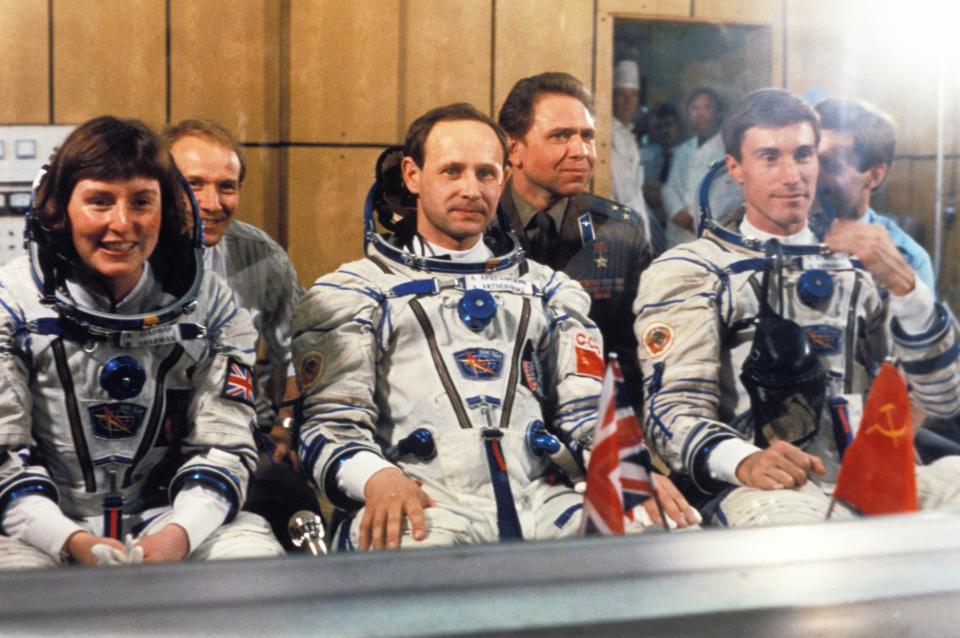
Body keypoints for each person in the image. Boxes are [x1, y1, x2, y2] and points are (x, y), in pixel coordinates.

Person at [293, 103, 697, 551]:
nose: (470, 189)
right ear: (412, 175)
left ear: (503, 178)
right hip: (423, 496)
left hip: (540, 497)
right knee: (421, 560)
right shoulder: (355, 292)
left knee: (660, 534)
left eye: (485, 173)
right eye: (451, 171)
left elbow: (584, 412)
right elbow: (328, 426)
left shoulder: (549, 291)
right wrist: (378, 478)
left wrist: (626, 467)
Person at [634, 89, 960, 527]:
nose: (792, 175)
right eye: (769, 157)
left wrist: (907, 289)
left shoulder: (863, 265)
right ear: (735, 168)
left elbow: (943, 396)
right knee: (801, 535)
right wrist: (745, 461)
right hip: (758, 482)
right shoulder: (693, 270)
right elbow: (671, 413)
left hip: (867, 473)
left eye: (804, 155)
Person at [0, 116, 284, 567]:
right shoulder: (12, 304)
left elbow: (223, 444)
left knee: (249, 558)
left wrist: (180, 532)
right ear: (58, 211)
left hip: (164, 514)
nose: (122, 224)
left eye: (141, 203)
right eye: (99, 201)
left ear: (166, 211)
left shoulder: (211, 306)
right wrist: (68, 539)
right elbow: (3, 457)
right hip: (39, 525)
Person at [164, 120, 317, 550]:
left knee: (297, 508)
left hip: (245, 432)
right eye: (193, 185)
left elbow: (302, 346)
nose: (212, 203)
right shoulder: (128, 253)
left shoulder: (260, 253)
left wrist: (287, 426)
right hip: (152, 441)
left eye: (226, 187)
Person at [497, 71, 652, 408]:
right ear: (514, 149)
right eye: (561, 136)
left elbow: (637, 352)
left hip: (596, 422)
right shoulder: (475, 229)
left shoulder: (619, 231)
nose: (581, 152)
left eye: (587, 136)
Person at [815, 98, 936, 293]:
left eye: (831, 166)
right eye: (806, 159)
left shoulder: (908, 258)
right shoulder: (776, 234)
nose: (810, 177)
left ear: (874, 176)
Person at [662, 87, 741, 247]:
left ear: (717, 111)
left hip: (713, 238)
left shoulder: (727, 149)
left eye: (707, 107)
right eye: (695, 109)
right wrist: (678, 212)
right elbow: (669, 188)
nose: (701, 115)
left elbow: (733, 197)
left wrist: (700, 223)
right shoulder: (683, 150)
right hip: (679, 236)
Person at [610, 60, 661, 253]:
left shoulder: (629, 136)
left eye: (633, 95)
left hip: (636, 232)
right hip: (617, 231)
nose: (627, 101)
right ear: (612, 97)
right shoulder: (607, 135)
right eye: (622, 94)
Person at [641, 102, 681, 251]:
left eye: (669, 125)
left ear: (678, 127)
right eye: (658, 127)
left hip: (678, 230)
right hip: (650, 227)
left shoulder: (688, 156)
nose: (665, 131)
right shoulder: (643, 158)